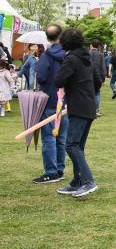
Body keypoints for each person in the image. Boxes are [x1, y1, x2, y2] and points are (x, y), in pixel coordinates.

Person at [53, 28, 102, 198]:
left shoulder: (71, 59)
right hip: (88, 106)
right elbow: (97, 81)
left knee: (71, 145)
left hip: (79, 107)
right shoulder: (86, 58)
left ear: (64, 42)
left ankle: (88, 182)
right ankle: (76, 182)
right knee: (77, 146)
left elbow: (58, 80)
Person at [33, 24, 68, 184]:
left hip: (50, 100)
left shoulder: (46, 56)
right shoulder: (69, 54)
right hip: (66, 101)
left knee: (49, 137)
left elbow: (40, 76)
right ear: (61, 36)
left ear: (47, 39)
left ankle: (52, 171)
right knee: (61, 137)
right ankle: (59, 169)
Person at [88, 39, 105, 117]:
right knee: (97, 93)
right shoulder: (101, 55)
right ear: (98, 46)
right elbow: (103, 67)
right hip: (98, 76)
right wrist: (103, 78)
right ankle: (96, 109)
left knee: (88, 93)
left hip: (88, 75)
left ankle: (88, 108)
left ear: (91, 45)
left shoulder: (87, 53)